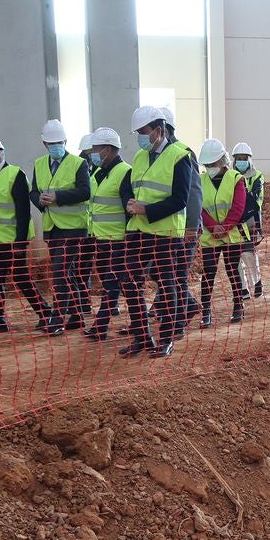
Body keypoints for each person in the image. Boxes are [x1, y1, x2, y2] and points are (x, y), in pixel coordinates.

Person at [124, 104, 194, 358]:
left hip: (166, 233)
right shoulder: (139, 157)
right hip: (138, 232)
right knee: (130, 282)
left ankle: (166, 339)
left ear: (160, 129)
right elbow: (135, 189)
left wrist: (147, 210)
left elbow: (181, 199)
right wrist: (132, 205)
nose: (142, 137)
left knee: (167, 285)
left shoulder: (180, 155)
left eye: (145, 131)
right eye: (138, 133)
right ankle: (142, 337)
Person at [0, 135, 53, 334]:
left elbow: (23, 211)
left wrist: (19, 242)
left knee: (20, 277)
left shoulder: (15, 175)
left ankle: (45, 312)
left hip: (12, 240)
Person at [30, 119, 91, 333]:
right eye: (50, 143)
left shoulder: (78, 163)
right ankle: (76, 315)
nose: (55, 146)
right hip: (52, 227)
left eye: (58, 142)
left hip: (74, 227)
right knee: (67, 272)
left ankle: (57, 318)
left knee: (59, 271)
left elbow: (85, 192)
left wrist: (57, 196)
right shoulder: (39, 164)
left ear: (65, 141)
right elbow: (33, 191)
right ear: (45, 144)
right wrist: (40, 200)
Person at [82, 127, 136, 341]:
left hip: (119, 241)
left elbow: (128, 209)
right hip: (101, 239)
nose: (92, 152)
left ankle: (100, 326)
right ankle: (138, 323)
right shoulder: (97, 173)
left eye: (95, 148)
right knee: (116, 284)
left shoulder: (125, 172)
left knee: (113, 283)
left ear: (108, 149)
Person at [196, 139, 249, 327]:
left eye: (213, 164)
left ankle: (238, 306)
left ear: (222, 160)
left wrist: (224, 228)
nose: (210, 167)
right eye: (207, 164)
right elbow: (199, 207)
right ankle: (206, 312)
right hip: (210, 236)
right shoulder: (200, 180)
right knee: (208, 273)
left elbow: (238, 207)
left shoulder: (236, 178)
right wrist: (212, 227)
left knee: (232, 270)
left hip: (231, 235)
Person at [159, 108, 201, 337]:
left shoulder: (183, 153)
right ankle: (187, 307)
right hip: (164, 229)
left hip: (184, 228)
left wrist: (191, 228)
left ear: (163, 129)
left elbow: (193, 194)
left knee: (178, 276)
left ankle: (178, 322)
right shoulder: (159, 155)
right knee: (164, 275)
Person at [231, 142, 265, 298]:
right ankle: (243, 289)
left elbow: (255, 200)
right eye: (238, 158)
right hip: (232, 222)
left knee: (249, 254)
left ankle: (256, 281)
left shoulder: (257, 177)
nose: (241, 161)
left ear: (249, 159)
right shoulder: (228, 176)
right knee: (234, 257)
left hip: (249, 222)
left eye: (244, 158)